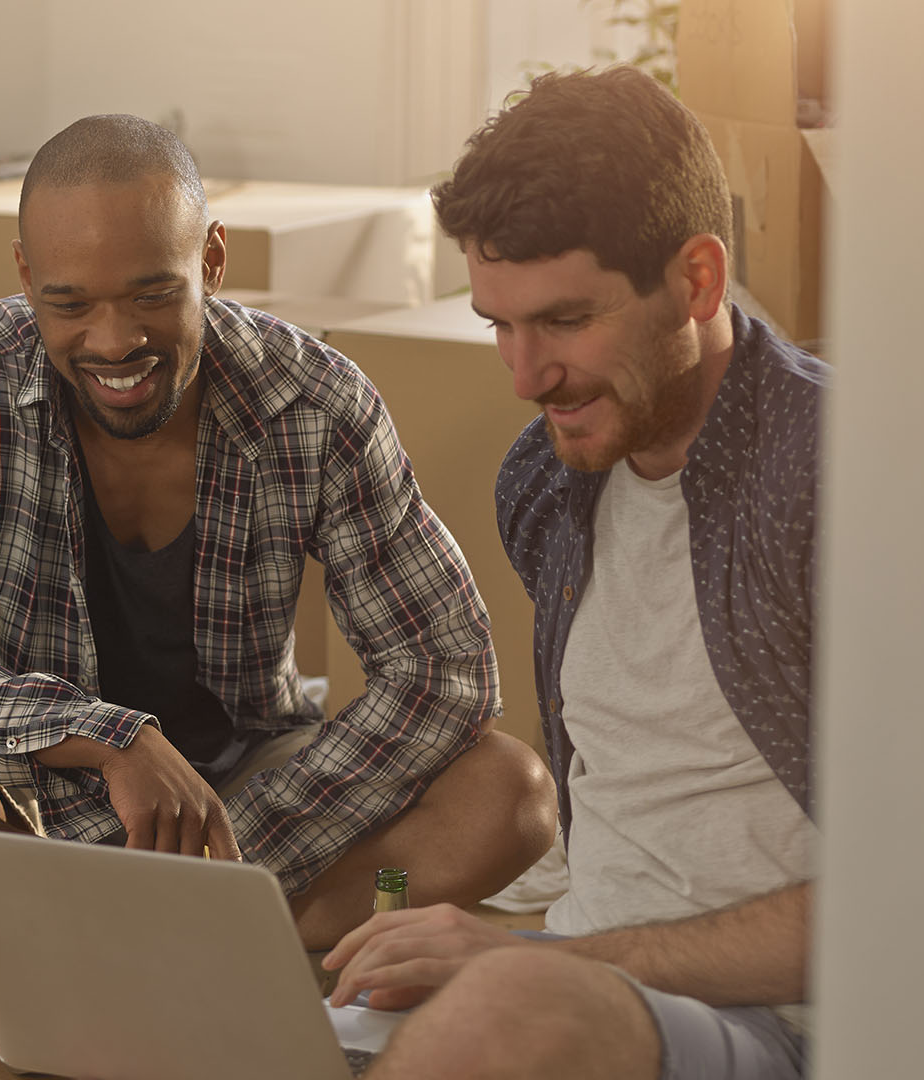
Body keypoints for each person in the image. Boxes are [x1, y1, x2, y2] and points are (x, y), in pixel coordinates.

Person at [0, 113, 556, 961]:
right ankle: (184, 947)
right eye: (69, 304)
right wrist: (107, 736)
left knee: (512, 794)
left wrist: (230, 851)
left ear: (211, 259)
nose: (114, 342)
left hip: (246, 776)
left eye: (152, 295)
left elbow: (443, 666)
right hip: (30, 778)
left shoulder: (315, 401)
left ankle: (138, 947)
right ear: (25, 276)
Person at [322, 67, 825, 1079]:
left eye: (563, 320)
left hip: (787, 1020)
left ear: (698, 279)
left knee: (506, 1011)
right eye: (499, 324)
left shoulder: (836, 480)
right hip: (589, 972)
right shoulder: (545, 482)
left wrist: (534, 964)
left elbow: (923, 894)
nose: (526, 375)